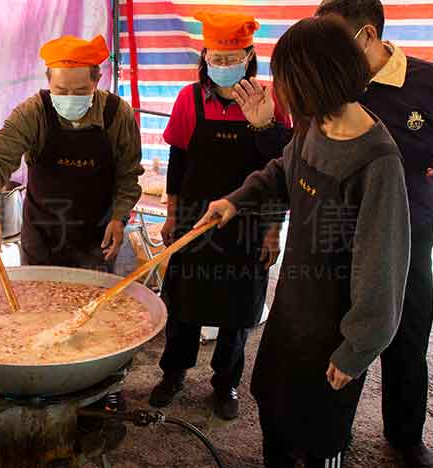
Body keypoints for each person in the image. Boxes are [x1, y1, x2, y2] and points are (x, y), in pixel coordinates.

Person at [196, 16, 410, 467]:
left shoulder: (377, 163)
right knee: (275, 412)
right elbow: (281, 172)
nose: (281, 91)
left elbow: (382, 272)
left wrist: (357, 349)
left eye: (287, 81)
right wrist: (235, 201)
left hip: (335, 325)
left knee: (319, 437)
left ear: (316, 80)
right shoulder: (315, 125)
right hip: (294, 304)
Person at [147, 12, 291, 420]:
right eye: (217, 57)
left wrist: (273, 231)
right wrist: (172, 215)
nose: (223, 66)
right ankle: (173, 374)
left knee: (238, 310)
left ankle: (225, 382)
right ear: (204, 55)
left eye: (233, 58)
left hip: (248, 227)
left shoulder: (271, 103)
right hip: (196, 222)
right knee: (184, 306)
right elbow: (177, 162)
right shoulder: (188, 100)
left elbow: (282, 171)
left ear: (249, 57)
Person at [313, 4, 433, 466]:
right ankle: (334, 435)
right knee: (342, 338)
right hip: (340, 236)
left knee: (406, 341)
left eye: (335, 40)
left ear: (366, 35)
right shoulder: (333, 84)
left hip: (410, 240)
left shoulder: (424, 83)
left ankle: (404, 437)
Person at [0, 34, 143, 272]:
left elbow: (128, 174)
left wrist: (119, 217)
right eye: (61, 90)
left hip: (97, 240)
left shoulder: (117, 114)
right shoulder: (33, 113)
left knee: (95, 305)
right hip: (42, 239)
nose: (70, 98)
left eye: (81, 91)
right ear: (48, 81)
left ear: (97, 80)